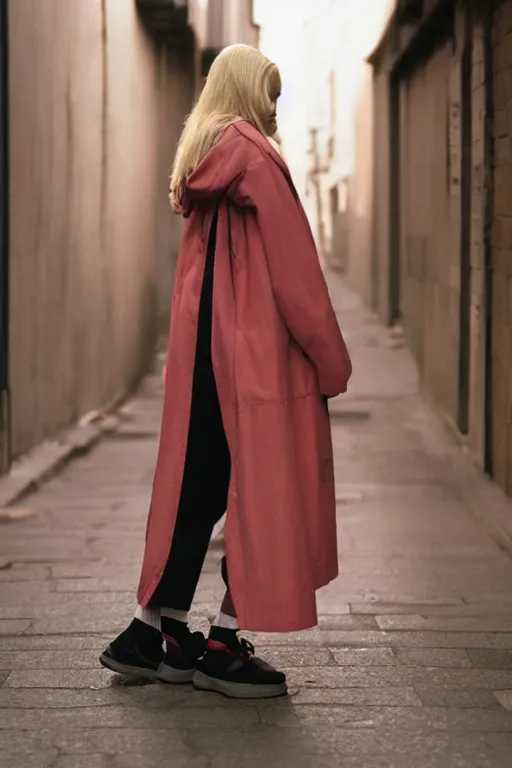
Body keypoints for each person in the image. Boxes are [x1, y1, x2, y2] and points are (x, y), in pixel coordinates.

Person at [100, 44, 352, 700]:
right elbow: (297, 276)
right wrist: (331, 357)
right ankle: (222, 641)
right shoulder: (256, 158)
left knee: (203, 488)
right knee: (272, 490)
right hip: (262, 365)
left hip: (206, 362)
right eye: (269, 93)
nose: (274, 109)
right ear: (247, 91)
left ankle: (155, 629)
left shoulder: (202, 155)